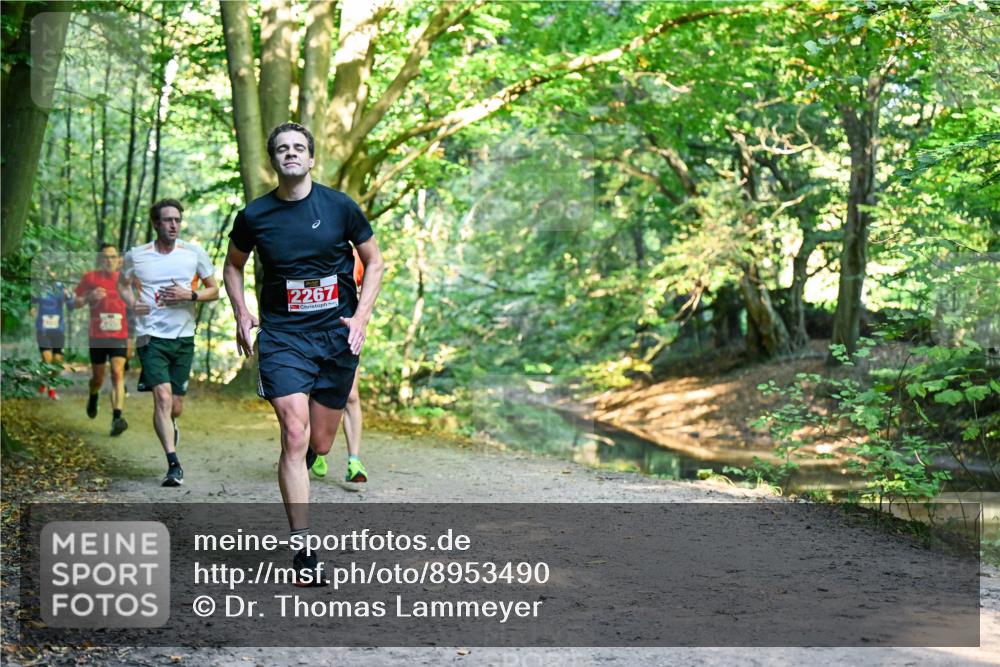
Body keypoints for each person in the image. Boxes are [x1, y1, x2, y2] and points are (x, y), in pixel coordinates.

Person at [223, 122, 384, 581]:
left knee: (320, 442)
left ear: (311, 158)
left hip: (335, 336)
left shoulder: (339, 207)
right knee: (294, 435)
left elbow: (375, 260)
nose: (291, 153)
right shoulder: (254, 216)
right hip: (284, 337)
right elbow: (232, 267)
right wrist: (241, 313)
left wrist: (362, 317)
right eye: (282, 149)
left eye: (299, 148)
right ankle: (303, 550)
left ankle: (318, 455)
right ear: (273, 161)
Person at [119, 199, 219, 487]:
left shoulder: (193, 253)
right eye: (167, 220)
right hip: (150, 336)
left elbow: (214, 290)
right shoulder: (137, 256)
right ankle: (173, 464)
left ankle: (171, 423)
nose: (174, 225)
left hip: (183, 337)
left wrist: (189, 295)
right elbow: (122, 284)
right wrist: (133, 303)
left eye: (177, 220)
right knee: (162, 398)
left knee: (175, 406)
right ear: (155, 223)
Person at [310, 246, 366, 483]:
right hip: (309, 335)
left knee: (351, 396)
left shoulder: (359, 256)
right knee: (312, 394)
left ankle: (354, 461)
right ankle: (315, 449)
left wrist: (360, 320)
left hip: (345, 336)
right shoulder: (311, 247)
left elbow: (365, 292)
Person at [75, 244, 129, 436]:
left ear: (118, 260)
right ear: (100, 259)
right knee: (98, 378)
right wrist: (90, 296)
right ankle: (93, 394)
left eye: (113, 257)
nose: (109, 260)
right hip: (97, 336)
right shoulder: (90, 278)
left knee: (117, 373)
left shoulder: (125, 279)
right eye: (106, 257)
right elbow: (75, 302)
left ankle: (117, 418)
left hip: (119, 335)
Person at [32, 274, 73, 400]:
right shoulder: (40, 288)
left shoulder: (61, 288)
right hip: (43, 329)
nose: (51, 274)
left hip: (58, 331)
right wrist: (32, 308)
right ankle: (45, 383)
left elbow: (71, 307)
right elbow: (30, 300)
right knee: (47, 359)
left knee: (57, 362)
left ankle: (51, 385)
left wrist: (69, 296)